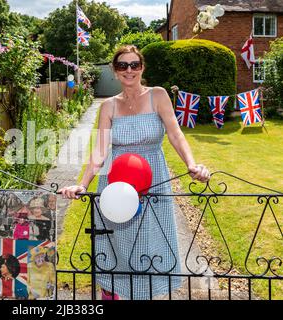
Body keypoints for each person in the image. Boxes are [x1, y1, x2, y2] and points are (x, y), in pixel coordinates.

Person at [58, 45, 210, 300]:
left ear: (142, 68)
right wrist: (82, 184)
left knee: (150, 239)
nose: (129, 70)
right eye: (122, 66)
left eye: (134, 65)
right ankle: (113, 292)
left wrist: (191, 164)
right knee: (117, 240)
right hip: (115, 182)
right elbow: (100, 152)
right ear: (115, 71)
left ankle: (146, 293)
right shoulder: (108, 106)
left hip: (152, 178)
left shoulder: (158, 95)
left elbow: (175, 134)